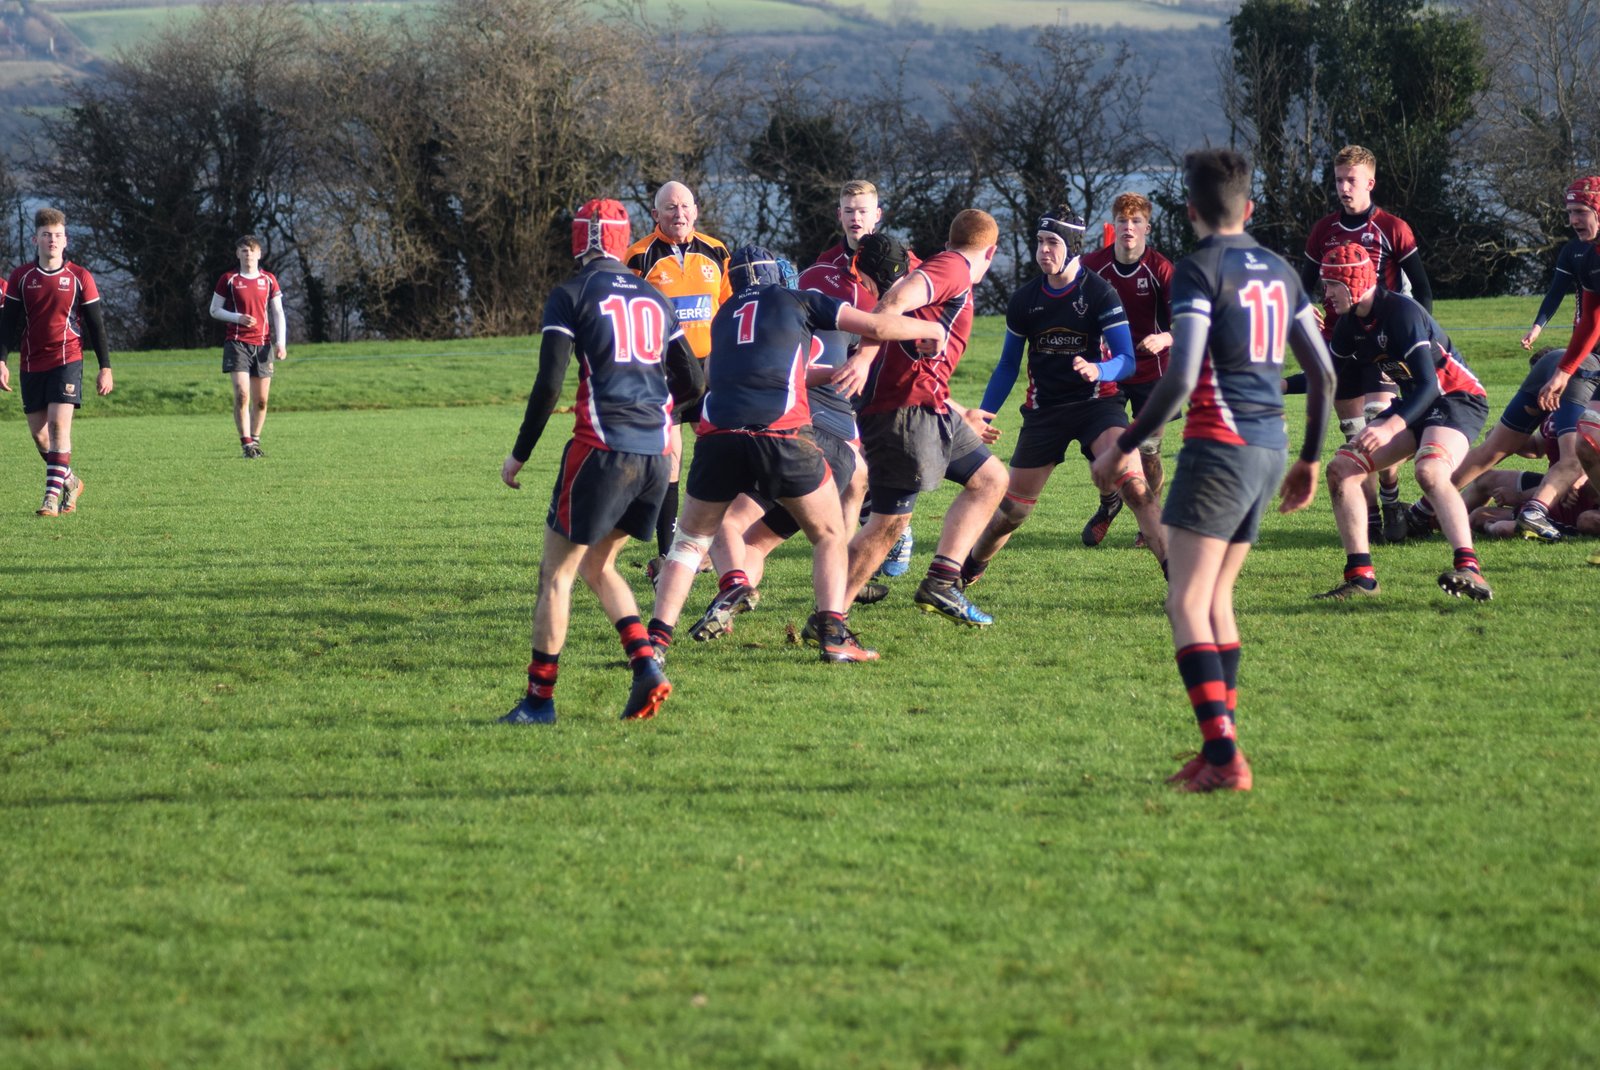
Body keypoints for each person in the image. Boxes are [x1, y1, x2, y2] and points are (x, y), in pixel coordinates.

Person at [1091, 147, 1334, 793]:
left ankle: (1224, 756)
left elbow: (1177, 379)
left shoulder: (1200, 270)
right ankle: (1216, 748)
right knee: (1215, 598)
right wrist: (1310, 458)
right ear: (1248, 208)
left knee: (1185, 601)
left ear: (1190, 211)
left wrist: (1120, 448)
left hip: (1219, 446)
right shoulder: (1281, 270)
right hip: (1270, 447)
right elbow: (1323, 373)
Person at [645, 245, 947, 672]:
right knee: (829, 534)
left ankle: (654, 645)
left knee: (690, 543)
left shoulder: (723, 314)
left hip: (718, 437)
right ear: (776, 275)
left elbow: (717, 375)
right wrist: (932, 329)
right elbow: (878, 324)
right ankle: (833, 635)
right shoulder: (799, 298)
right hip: (781, 434)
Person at [497, 198, 703, 725]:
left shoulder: (571, 294)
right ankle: (645, 666)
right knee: (598, 564)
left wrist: (520, 454)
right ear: (622, 239)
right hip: (656, 454)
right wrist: (662, 412)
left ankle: (539, 702)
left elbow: (549, 384)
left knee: (555, 574)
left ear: (578, 240)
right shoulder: (656, 296)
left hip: (603, 449)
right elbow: (695, 381)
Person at [684, 233, 913, 642]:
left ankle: (731, 594)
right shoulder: (823, 316)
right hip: (818, 446)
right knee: (820, 533)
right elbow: (873, 341)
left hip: (783, 437)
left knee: (735, 528)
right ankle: (833, 610)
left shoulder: (752, 326)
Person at [965, 207, 1165, 586]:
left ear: (1073, 247)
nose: (1043, 250)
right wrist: (984, 414)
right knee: (1012, 512)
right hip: (1045, 411)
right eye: (1040, 241)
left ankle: (1181, 580)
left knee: (1136, 489)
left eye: (1052, 242)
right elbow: (1007, 366)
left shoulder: (1100, 293)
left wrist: (1099, 370)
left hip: (1097, 405)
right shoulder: (1025, 299)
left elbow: (1126, 360)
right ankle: (967, 569)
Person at [831, 209, 1009, 627]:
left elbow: (918, 350)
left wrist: (959, 410)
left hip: (929, 407)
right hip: (902, 412)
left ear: (949, 240)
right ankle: (829, 616)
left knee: (991, 480)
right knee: (888, 525)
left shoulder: (947, 270)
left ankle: (941, 582)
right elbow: (892, 302)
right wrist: (864, 357)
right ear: (991, 252)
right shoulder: (953, 267)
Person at [1313, 242, 1492, 602]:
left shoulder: (1402, 312)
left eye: (1332, 284)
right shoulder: (1350, 325)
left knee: (1429, 471)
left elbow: (1429, 385)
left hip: (1456, 398)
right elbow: (1325, 375)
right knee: (1341, 470)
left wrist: (1390, 425)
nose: (1326, 294)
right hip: (1415, 403)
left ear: (1354, 281)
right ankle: (1362, 579)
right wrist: (1276, 385)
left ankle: (1470, 569)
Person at [1302, 145, 1431, 544]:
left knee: (1380, 421)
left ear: (1370, 183)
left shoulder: (1393, 227)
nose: (1344, 188)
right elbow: (1302, 286)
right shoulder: (1324, 230)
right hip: (1338, 344)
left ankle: (1392, 500)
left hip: (1382, 345)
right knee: (1355, 434)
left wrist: (1417, 336)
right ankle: (1371, 516)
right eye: (1339, 180)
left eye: (1351, 181)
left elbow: (1422, 290)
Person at [812, 179, 919, 577]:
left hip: (892, 375)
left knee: (886, 459)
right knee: (855, 466)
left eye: (863, 211)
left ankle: (891, 523)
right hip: (843, 379)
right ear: (839, 215)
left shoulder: (907, 263)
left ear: (878, 215)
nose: (856, 218)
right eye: (849, 210)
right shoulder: (824, 267)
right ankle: (864, 540)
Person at [625, 181, 732, 565]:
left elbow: (729, 307)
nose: (679, 213)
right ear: (656, 214)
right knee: (670, 458)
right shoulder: (639, 256)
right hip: (663, 371)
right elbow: (628, 316)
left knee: (717, 457)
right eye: (670, 207)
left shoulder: (717, 251)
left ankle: (713, 547)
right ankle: (668, 552)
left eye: (685, 206)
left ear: (696, 210)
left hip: (710, 369)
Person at [0, 206, 112, 517]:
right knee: (40, 435)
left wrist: (105, 367)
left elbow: (96, 326)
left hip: (67, 359)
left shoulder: (80, 277)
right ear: (35, 239)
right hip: (31, 362)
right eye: (46, 235)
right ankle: (70, 481)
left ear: (66, 240)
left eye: (58, 235)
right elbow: (7, 325)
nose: (52, 240)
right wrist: (1, 361)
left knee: (58, 425)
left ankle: (50, 498)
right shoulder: (21, 277)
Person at [1079, 191, 1174, 546]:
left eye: (1136, 221)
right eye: (1123, 221)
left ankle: (1150, 523)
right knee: (1104, 450)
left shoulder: (1161, 269)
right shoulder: (1093, 265)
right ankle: (1109, 502)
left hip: (1154, 373)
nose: (1129, 227)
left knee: (1148, 453)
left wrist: (1164, 338)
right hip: (1110, 372)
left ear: (1147, 227)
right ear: (1114, 225)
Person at [209, 235, 287, 458]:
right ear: (238, 254)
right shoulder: (229, 279)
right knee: (242, 395)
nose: (248, 254)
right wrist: (237, 318)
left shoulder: (269, 279)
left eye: (252, 250)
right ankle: (246, 445)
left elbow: (278, 312)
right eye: (244, 250)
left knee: (261, 401)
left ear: (259, 254)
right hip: (237, 343)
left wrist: (281, 343)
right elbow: (214, 310)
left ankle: (255, 441)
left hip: (263, 346)